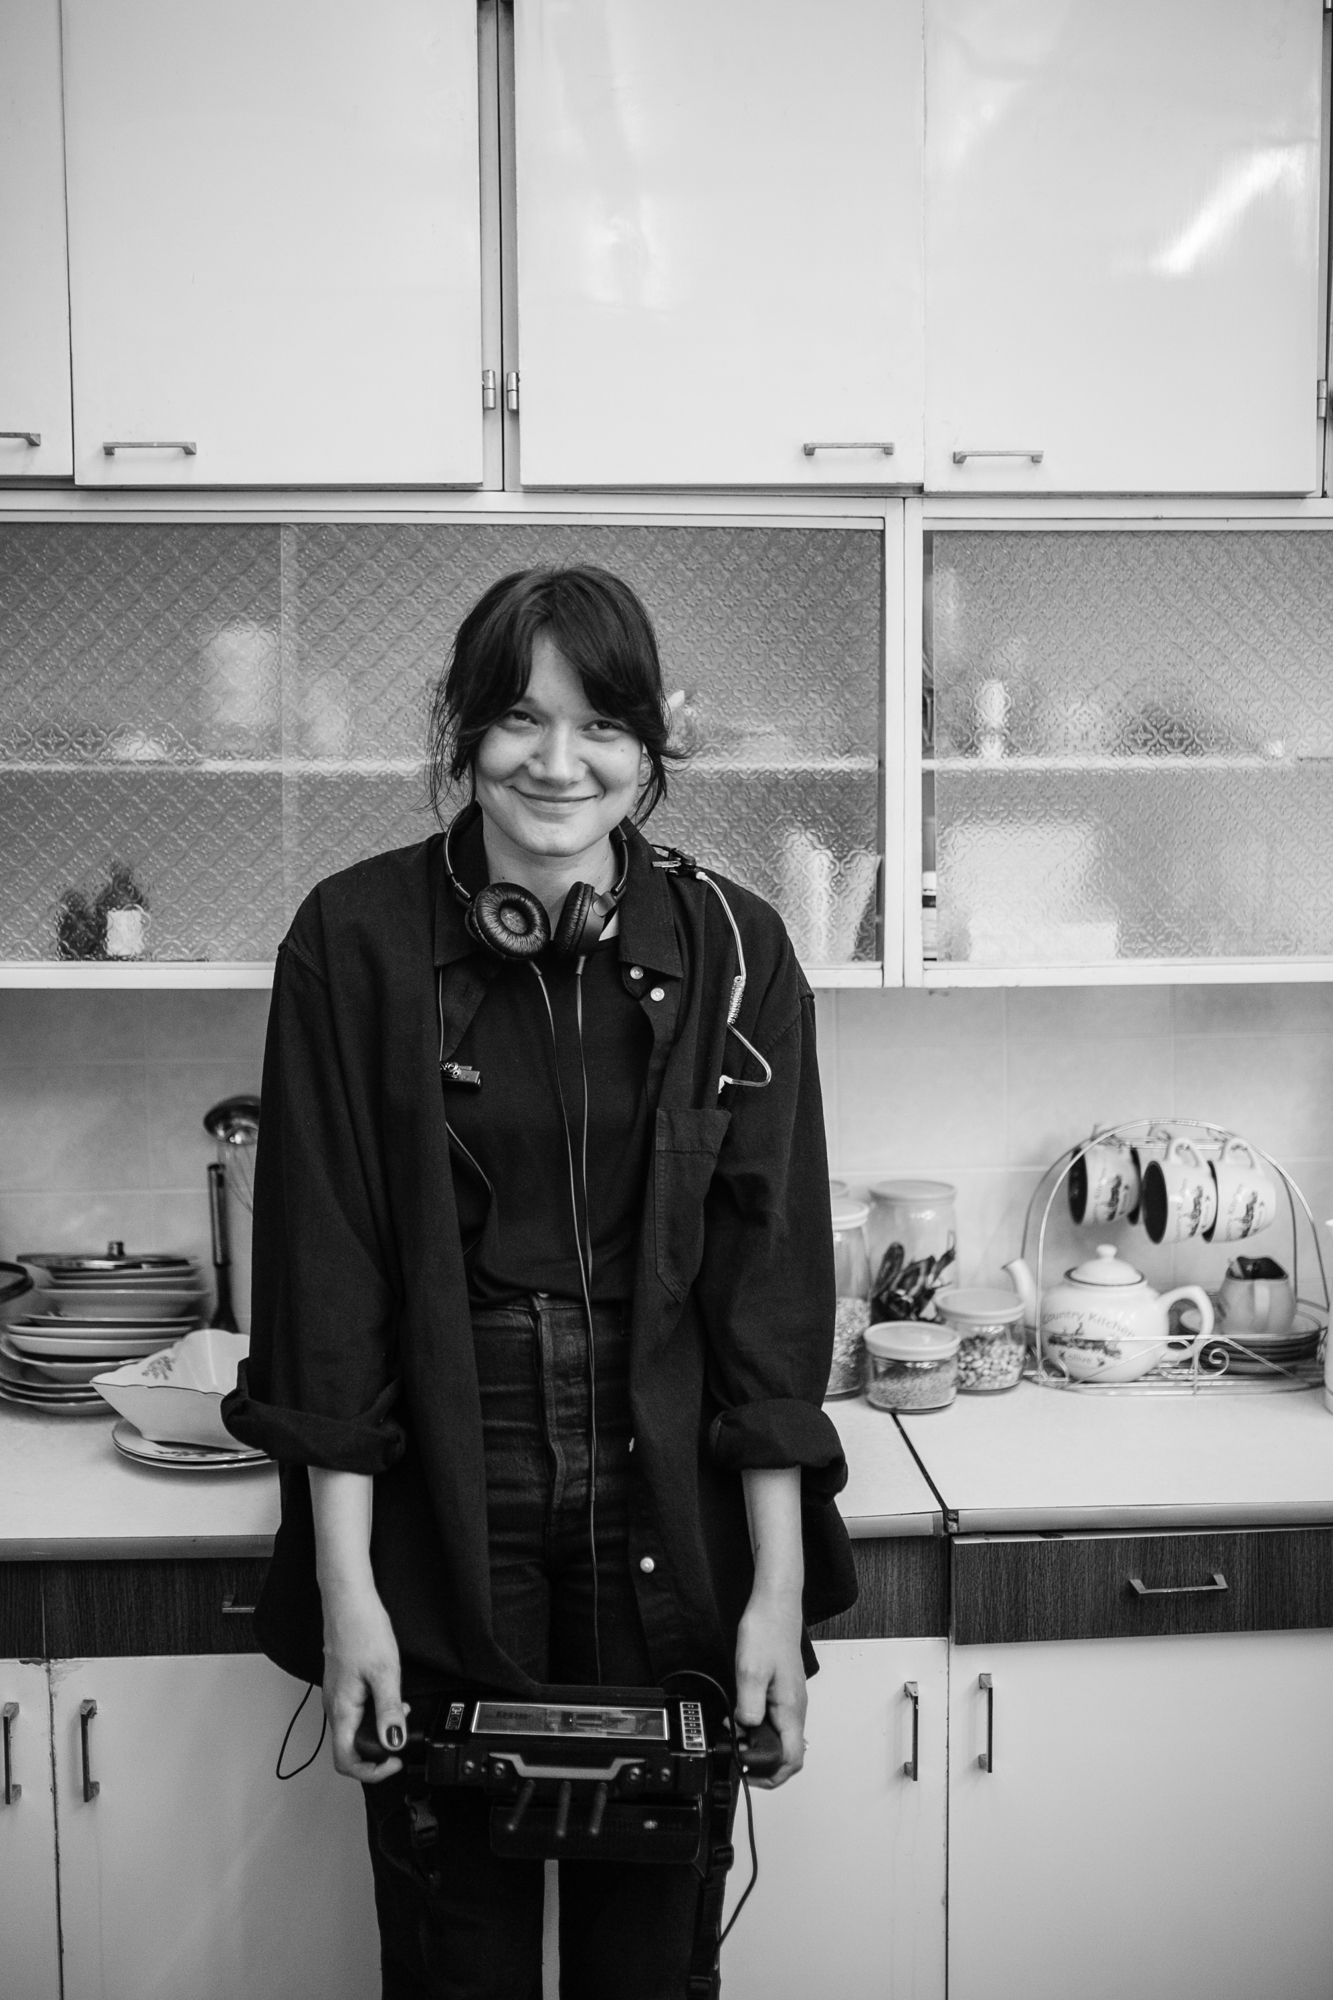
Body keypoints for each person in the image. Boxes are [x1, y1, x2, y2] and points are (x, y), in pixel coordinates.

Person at [223, 564, 856, 2000]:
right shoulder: (354, 941)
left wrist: (773, 1593)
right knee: (456, 1954)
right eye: (519, 718)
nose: (558, 763)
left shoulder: (736, 951)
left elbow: (765, 1296)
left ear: (649, 748)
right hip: (446, 1481)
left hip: (667, 1493)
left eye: (601, 727)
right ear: (462, 729)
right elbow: (326, 1289)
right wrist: (348, 1595)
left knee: (652, 1962)